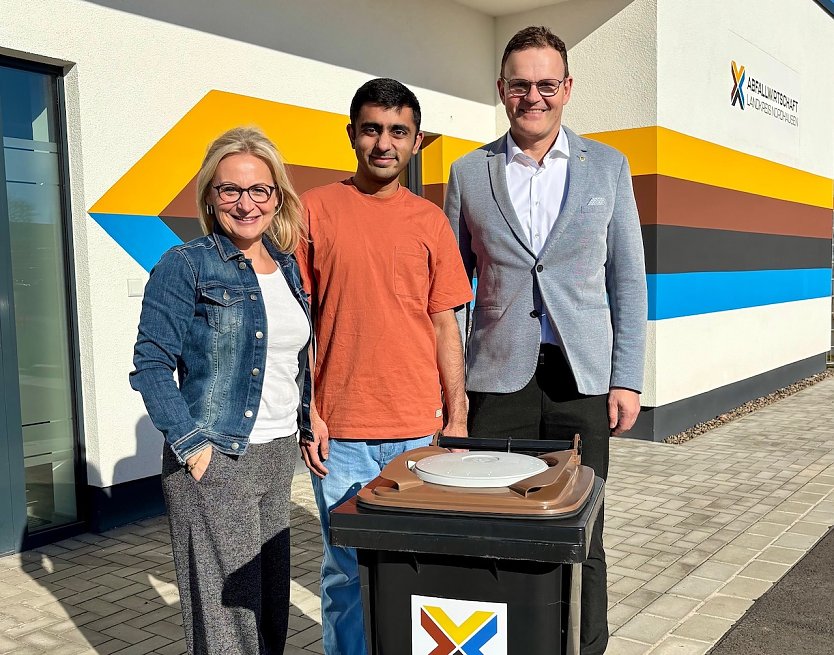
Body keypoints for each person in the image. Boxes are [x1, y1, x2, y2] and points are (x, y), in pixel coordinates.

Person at [444, 26, 647, 655]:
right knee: (496, 524)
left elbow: (628, 278)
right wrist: (449, 390)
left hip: (581, 380)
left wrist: (628, 376)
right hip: (497, 379)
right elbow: (451, 290)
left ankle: (585, 647)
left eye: (547, 84)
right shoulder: (467, 172)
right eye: (521, 85)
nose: (534, 96)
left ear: (567, 88)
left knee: (583, 528)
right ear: (502, 91)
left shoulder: (608, 168)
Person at [296, 78, 473, 655]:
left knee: (414, 570)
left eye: (397, 131)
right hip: (340, 431)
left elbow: (446, 325)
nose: (383, 143)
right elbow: (298, 324)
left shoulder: (430, 222)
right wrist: (310, 412)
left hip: (418, 430)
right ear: (351, 134)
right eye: (372, 128)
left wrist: (458, 418)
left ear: (416, 141)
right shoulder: (314, 212)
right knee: (346, 573)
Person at [130, 126, 311, 655]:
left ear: (278, 196)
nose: (246, 203)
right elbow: (150, 364)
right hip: (217, 460)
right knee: (227, 621)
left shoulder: (288, 268)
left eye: (260, 189)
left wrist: (307, 421)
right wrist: (194, 449)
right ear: (210, 195)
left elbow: (290, 360)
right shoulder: (185, 265)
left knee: (269, 607)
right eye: (230, 189)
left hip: (277, 455)